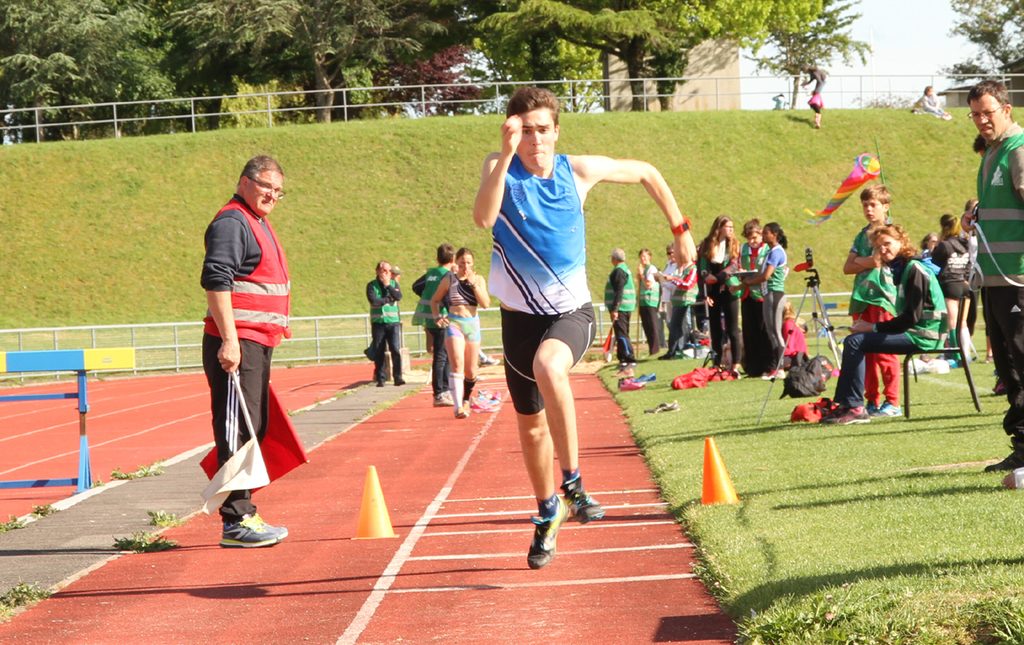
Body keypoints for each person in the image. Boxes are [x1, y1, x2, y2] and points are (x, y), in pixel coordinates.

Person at [471, 86, 696, 570]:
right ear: (512, 132)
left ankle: (572, 483)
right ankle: (547, 511)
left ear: (557, 131)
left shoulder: (577, 171)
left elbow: (647, 173)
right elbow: (484, 218)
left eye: (542, 130)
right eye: (525, 131)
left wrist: (680, 231)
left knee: (550, 366)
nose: (534, 140)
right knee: (532, 429)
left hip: (570, 313)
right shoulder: (499, 166)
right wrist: (505, 153)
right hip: (518, 321)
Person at [201, 154, 291, 548]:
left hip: (256, 341)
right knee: (237, 429)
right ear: (244, 183)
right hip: (238, 342)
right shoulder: (233, 222)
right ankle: (236, 520)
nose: (272, 194)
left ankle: (242, 512)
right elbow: (216, 279)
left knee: (253, 426)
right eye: (266, 186)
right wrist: (230, 339)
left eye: (278, 190)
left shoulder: (255, 221)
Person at [821, 225, 947, 425]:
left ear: (901, 242)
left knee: (855, 342)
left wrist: (873, 327)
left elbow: (911, 318)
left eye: (887, 244)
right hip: (917, 332)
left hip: (924, 336)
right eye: (879, 247)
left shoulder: (914, 269)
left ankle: (854, 407)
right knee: (854, 340)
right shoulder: (902, 268)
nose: (883, 250)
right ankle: (847, 405)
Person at [961, 80, 1024, 471]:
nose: (981, 120)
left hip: (1018, 278)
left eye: (987, 112)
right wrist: (975, 216)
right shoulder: (992, 153)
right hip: (995, 279)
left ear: (1006, 109)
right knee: (1009, 369)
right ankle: (1022, 447)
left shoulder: (1018, 149)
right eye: (974, 115)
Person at [844, 185, 902, 418]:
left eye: (873, 205)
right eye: (865, 205)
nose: (868, 209)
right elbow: (847, 267)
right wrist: (865, 260)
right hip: (861, 298)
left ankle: (893, 402)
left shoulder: (890, 234)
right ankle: (871, 400)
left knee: (884, 351)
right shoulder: (861, 235)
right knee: (864, 352)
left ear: (885, 207)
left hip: (882, 297)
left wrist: (861, 261)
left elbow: (878, 261)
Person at [431, 247, 490, 419]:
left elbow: (485, 304)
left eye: (469, 263)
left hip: (472, 325)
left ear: (473, 263)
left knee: (471, 372)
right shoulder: (449, 279)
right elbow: (435, 300)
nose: (465, 266)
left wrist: (473, 284)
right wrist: (436, 317)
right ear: (456, 262)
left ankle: (465, 399)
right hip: (454, 323)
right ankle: (458, 407)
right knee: (457, 364)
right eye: (462, 263)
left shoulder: (478, 279)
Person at [412, 244, 456, 407]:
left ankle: (445, 390)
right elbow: (449, 295)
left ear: (437, 259)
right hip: (441, 318)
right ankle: (440, 393)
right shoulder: (448, 275)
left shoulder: (431, 273)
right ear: (453, 259)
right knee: (442, 356)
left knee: (444, 355)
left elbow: (416, 286)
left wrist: (428, 294)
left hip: (428, 317)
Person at [698, 216, 742, 375]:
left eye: (732, 227)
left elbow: (733, 266)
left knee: (732, 329)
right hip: (713, 291)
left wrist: (718, 278)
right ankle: (717, 364)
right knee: (715, 329)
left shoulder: (734, 244)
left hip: (729, 288)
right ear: (719, 228)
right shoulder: (706, 244)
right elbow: (701, 269)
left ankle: (736, 365)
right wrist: (705, 294)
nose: (731, 229)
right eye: (728, 226)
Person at [744, 222, 788, 380]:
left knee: (775, 332)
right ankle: (777, 367)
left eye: (765, 233)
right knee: (772, 332)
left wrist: (749, 281)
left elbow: (766, 276)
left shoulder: (776, 252)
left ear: (774, 234)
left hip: (774, 294)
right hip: (769, 293)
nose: (763, 236)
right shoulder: (770, 252)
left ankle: (780, 368)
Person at [733, 219, 771, 377]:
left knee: (764, 331)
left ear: (761, 234)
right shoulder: (743, 249)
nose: (752, 241)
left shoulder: (768, 249)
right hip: (747, 294)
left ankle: (768, 365)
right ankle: (752, 367)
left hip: (762, 294)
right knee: (749, 332)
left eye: (754, 238)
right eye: (749, 238)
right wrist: (740, 272)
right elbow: (738, 265)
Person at [930, 214, 972, 356]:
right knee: (963, 322)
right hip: (964, 284)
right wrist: (966, 277)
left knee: (952, 323)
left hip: (949, 285)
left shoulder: (945, 245)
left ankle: (957, 355)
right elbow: (970, 264)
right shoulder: (966, 244)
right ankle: (966, 354)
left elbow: (934, 263)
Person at [366, 261, 405, 387]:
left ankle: (398, 377)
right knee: (379, 350)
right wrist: (388, 299)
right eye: (384, 270)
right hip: (378, 322)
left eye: (389, 271)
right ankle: (381, 378)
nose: (387, 273)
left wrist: (388, 285)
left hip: (393, 322)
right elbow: (374, 301)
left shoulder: (393, 284)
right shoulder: (371, 285)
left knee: (395, 349)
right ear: (378, 271)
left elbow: (398, 296)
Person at [606, 248, 638, 374]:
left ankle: (629, 359)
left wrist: (615, 308)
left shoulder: (619, 271)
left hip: (622, 307)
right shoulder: (624, 269)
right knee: (621, 333)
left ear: (614, 259)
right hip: (625, 306)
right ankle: (623, 359)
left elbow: (619, 292)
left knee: (622, 334)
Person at [637, 248, 661, 356]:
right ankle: (652, 349)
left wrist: (642, 275)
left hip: (650, 301)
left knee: (652, 326)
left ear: (649, 257)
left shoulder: (651, 269)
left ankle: (655, 350)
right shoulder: (646, 269)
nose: (643, 259)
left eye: (645, 257)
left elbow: (648, 284)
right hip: (644, 302)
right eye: (641, 257)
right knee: (646, 327)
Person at [657, 243, 678, 352]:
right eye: (668, 253)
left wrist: (664, 283)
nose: (671, 255)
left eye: (672, 253)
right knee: (669, 323)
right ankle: (672, 346)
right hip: (666, 298)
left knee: (675, 323)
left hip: (674, 297)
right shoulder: (668, 264)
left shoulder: (678, 265)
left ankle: (677, 345)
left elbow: (674, 282)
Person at [781, 301, 808, 368]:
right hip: (799, 355)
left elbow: (789, 345)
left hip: (794, 357)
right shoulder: (793, 322)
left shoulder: (788, 324)